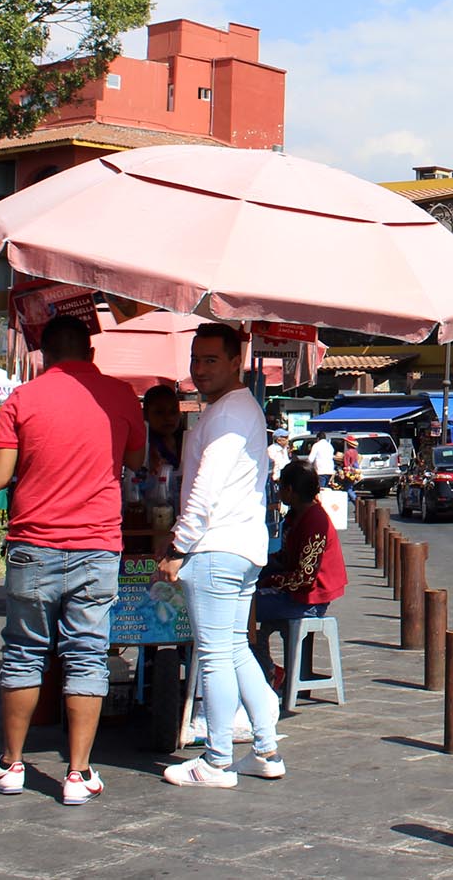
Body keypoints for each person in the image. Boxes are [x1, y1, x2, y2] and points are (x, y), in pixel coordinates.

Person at [0, 316, 146, 805]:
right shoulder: (119, 396)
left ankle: (10, 765)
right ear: (90, 355)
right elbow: (135, 461)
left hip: (34, 544)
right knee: (87, 653)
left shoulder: (21, 399)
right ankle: (78, 774)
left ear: (44, 356)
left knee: (25, 652)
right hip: (98, 545)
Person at [159, 323, 284, 788]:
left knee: (213, 655)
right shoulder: (234, 409)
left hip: (216, 546)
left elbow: (205, 489)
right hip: (238, 547)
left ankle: (215, 760)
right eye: (195, 359)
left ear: (236, 362)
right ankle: (266, 749)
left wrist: (177, 546)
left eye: (211, 359)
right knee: (233, 648)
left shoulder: (231, 412)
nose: (200, 368)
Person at [253, 461, 348, 680]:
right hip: (297, 592)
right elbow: (284, 558)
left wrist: (269, 582)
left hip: (308, 600)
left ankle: (269, 671)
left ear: (290, 491)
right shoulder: (296, 516)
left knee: (242, 610)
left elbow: (304, 578)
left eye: (281, 487)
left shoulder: (315, 521)